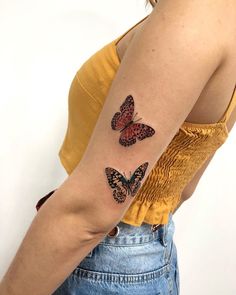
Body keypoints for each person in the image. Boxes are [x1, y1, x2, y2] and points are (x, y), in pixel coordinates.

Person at [0, 0, 235, 294]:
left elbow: (93, 209)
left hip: (104, 265)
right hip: (141, 260)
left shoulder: (192, 14)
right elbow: (184, 185)